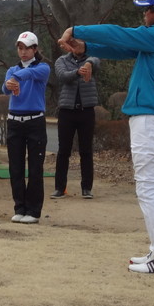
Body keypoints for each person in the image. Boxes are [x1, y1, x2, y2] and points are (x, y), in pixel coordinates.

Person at [60, 0, 154, 276]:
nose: (144, 13)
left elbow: (120, 34)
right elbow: (122, 48)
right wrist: (86, 48)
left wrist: (77, 29)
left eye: (147, 9)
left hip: (151, 122)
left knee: (150, 188)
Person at [2, 31, 50, 224]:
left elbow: (30, 73)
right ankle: (19, 207)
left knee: (35, 168)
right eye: (20, 48)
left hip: (35, 122)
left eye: (27, 48)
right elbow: (5, 89)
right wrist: (10, 82)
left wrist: (16, 77)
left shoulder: (43, 68)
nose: (23, 52)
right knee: (16, 168)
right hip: (14, 122)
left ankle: (33, 211)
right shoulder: (12, 70)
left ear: (35, 49)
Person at [52, 41, 100, 199]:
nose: (77, 47)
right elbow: (62, 76)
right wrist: (78, 72)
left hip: (87, 110)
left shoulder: (92, 58)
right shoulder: (62, 60)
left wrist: (88, 63)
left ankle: (87, 188)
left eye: (79, 44)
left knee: (86, 151)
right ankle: (60, 188)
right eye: (74, 44)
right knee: (63, 151)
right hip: (67, 110)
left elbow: (97, 61)